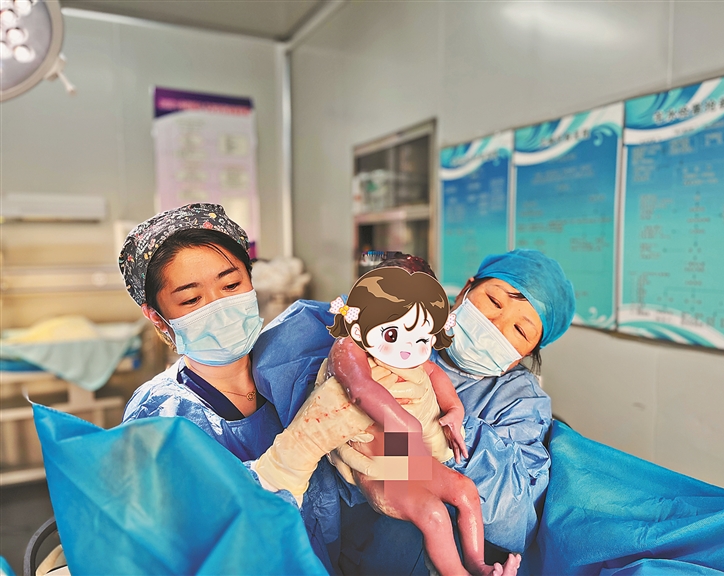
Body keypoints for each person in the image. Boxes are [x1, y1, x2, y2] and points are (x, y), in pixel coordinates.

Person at [252, 249, 576, 573]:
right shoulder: (384, 319)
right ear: (466, 289)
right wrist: (346, 389)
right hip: (347, 537)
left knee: (452, 499)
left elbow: (516, 518)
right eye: (494, 301)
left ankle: (473, 566)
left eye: (520, 331)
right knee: (425, 513)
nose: (496, 326)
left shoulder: (520, 401)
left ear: (526, 355)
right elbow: (278, 358)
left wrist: (443, 422)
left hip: (414, 504)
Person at [118, 203, 348, 572]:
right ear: (157, 317)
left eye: (231, 285)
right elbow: (193, 542)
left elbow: (383, 435)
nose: (221, 306)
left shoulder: (300, 362)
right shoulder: (161, 416)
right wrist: (286, 461)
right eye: (191, 299)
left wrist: (409, 465)